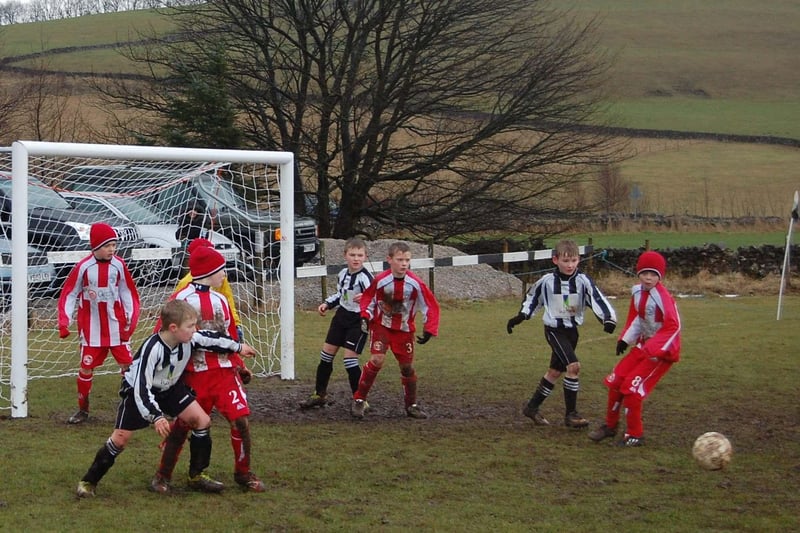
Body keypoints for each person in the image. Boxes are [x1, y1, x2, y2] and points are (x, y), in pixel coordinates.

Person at [75, 299, 257, 498]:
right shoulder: (152, 349)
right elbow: (141, 389)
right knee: (120, 439)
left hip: (170, 389)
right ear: (173, 328)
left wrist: (238, 347)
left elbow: (211, 339)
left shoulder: (189, 338)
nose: (194, 329)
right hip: (140, 392)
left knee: (202, 421)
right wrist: (156, 416)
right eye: (190, 326)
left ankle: (196, 475)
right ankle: (88, 481)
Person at [151, 244, 264, 493]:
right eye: (221, 270)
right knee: (184, 424)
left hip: (223, 374)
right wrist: (162, 368)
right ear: (208, 272)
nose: (225, 275)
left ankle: (243, 473)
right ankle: (163, 475)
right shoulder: (182, 300)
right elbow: (163, 335)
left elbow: (230, 335)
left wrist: (239, 365)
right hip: (194, 374)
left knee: (241, 421)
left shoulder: (221, 300)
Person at [506, 240, 617, 428]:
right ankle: (571, 415)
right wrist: (521, 316)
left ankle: (531, 407)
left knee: (555, 372)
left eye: (573, 260)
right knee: (573, 367)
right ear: (555, 260)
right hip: (554, 330)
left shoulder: (583, 281)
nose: (570, 265)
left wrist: (607, 319)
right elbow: (533, 298)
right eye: (566, 261)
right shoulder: (547, 281)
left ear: (579, 260)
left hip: (572, 332)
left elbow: (597, 299)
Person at [588, 250, 682, 447]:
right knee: (615, 383)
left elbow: (674, 326)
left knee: (632, 389)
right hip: (642, 346)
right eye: (645, 273)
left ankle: (635, 434)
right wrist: (625, 339)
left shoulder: (663, 298)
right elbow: (637, 318)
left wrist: (654, 348)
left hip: (661, 353)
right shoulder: (637, 292)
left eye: (654, 274)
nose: (648, 278)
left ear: (660, 276)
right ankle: (610, 426)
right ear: (638, 273)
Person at [58, 222, 141, 425]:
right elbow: (69, 293)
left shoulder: (119, 265)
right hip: (92, 329)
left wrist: (131, 317)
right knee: (86, 368)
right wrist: (64, 321)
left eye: (114, 244)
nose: (111, 249)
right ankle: (83, 409)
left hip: (117, 327)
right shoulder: (83, 267)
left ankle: (135, 407)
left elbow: (127, 291)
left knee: (129, 367)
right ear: (95, 246)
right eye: (107, 245)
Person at [352, 241, 440, 419]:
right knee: (377, 360)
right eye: (400, 259)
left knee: (407, 368)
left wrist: (430, 328)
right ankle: (359, 400)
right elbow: (369, 299)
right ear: (389, 260)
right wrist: (365, 316)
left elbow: (430, 305)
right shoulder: (381, 280)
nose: (404, 264)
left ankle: (411, 405)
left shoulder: (415, 284)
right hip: (381, 327)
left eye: (407, 260)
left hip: (404, 330)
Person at [300, 237, 373, 409]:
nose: (356, 258)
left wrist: (367, 298)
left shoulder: (366, 278)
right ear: (345, 255)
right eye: (352, 255)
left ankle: (360, 400)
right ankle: (319, 394)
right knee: (325, 357)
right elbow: (341, 295)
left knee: (350, 362)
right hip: (341, 318)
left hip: (358, 321)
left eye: (360, 255)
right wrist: (327, 303)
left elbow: (377, 298)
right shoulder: (342, 274)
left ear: (365, 257)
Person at [174, 238, 243, 340]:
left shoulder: (221, 281)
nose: (223, 273)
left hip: (219, 329)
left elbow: (229, 301)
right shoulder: (185, 287)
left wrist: (236, 323)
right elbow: (173, 312)